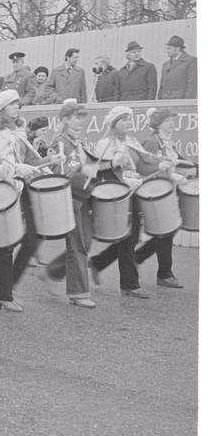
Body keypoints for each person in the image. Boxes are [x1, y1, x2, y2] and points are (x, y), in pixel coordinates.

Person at [0, 89, 55, 312]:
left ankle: (8, 286)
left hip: (20, 187)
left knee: (32, 238)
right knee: (6, 244)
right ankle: (4, 294)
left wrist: (51, 159)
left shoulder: (17, 132)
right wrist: (15, 169)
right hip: (4, 189)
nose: (17, 107)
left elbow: (31, 159)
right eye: (13, 104)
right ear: (2, 109)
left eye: (18, 104)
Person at [87, 106, 150, 298]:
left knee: (131, 237)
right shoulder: (105, 143)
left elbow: (142, 163)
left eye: (129, 120)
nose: (127, 123)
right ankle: (129, 284)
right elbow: (98, 171)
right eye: (123, 120)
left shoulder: (132, 141)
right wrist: (122, 179)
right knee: (128, 238)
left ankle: (98, 262)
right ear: (113, 123)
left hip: (134, 192)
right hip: (118, 196)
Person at [41, 100, 97, 308]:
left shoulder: (77, 142)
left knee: (86, 242)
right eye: (76, 117)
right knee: (78, 245)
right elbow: (58, 172)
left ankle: (52, 272)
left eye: (83, 118)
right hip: (69, 199)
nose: (80, 122)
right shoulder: (60, 143)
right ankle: (78, 292)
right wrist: (83, 169)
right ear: (64, 119)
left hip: (83, 197)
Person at [133, 107, 190, 289]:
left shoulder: (168, 143)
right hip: (155, 193)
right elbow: (144, 168)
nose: (172, 123)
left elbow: (180, 161)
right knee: (166, 232)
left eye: (173, 120)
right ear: (158, 124)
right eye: (168, 121)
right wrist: (173, 175)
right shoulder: (151, 142)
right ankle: (164, 273)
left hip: (167, 191)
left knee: (167, 232)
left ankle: (139, 258)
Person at [158, 35, 197, 100]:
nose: (167, 51)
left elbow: (192, 85)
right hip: (165, 102)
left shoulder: (191, 61)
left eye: (169, 48)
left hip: (180, 102)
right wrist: (159, 102)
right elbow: (162, 86)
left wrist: (186, 103)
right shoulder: (165, 64)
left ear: (177, 49)